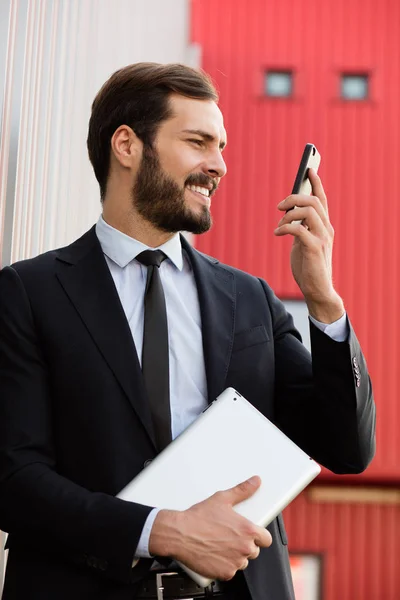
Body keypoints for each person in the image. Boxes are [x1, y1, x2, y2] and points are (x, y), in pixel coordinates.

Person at [0, 62, 375, 600]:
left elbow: (348, 449)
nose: (219, 165)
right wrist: (162, 529)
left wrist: (323, 300)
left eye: (221, 147)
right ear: (126, 146)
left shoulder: (251, 300)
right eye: (199, 142)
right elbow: (13, 480)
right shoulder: (28, 294)